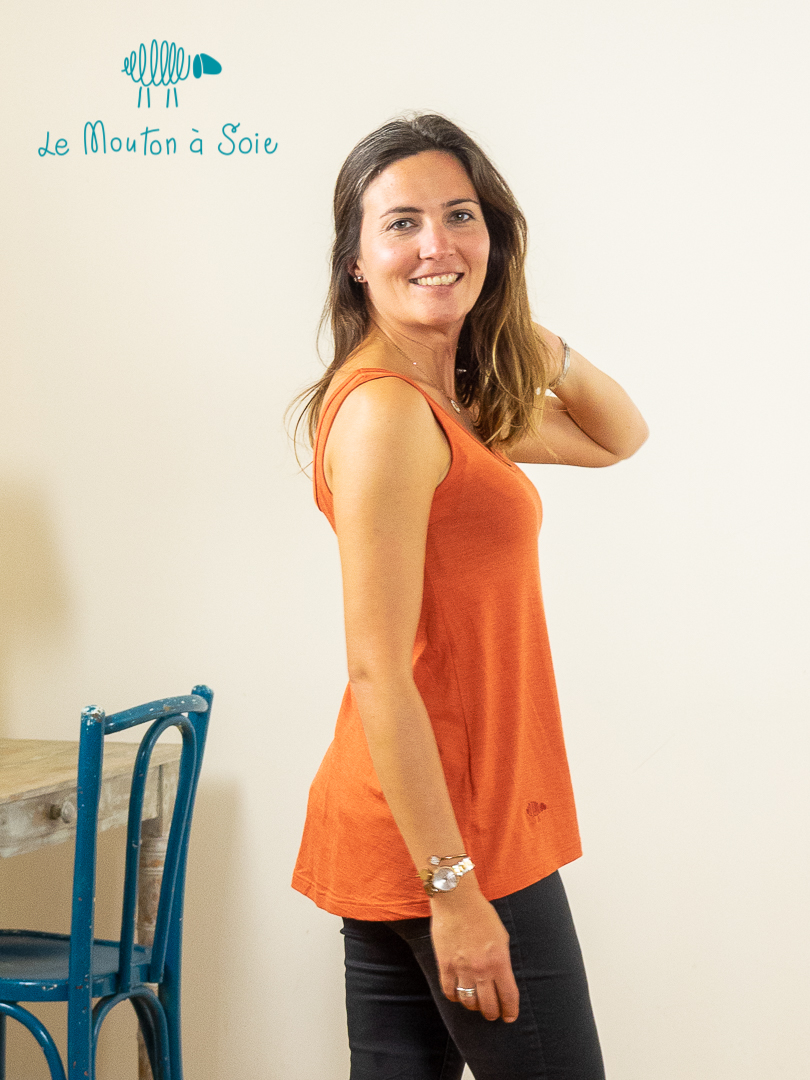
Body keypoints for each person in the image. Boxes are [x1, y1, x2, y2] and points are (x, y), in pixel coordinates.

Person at [290, 113, 648, 1080]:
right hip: (455, 834)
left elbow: (618, 435)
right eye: (401, 223)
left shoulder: (446, 405)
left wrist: (513, 326)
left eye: (460, 216)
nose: (436, 244)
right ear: (355, 260)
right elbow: (377, 669)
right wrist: (452, 889)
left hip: (422, 818)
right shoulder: (389, 416)